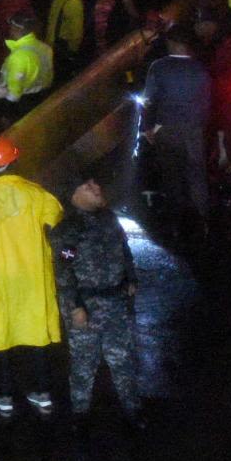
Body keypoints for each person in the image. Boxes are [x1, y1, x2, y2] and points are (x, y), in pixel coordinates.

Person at [0, 135, 64, 418]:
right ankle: (42, 393)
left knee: (1, 332)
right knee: (36, 329)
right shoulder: (34, 194)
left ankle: (5, 395)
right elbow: (56, 217)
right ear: (15, 162)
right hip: (32, 275)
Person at [51, 177, 142, 426]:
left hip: (115, 302)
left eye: (95, 184)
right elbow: (63, 270)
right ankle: (80, 417)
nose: (96, 188)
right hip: (87, 306)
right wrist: (75, 307)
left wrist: (131, 278)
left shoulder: (109, 220)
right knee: (83, 364)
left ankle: (132, 412)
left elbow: (124, 250)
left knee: (122, 359)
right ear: (74, 196)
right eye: (88, 187)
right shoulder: (69, 230)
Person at [141, 27, 213, 241]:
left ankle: (175, 224)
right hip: (193, 130)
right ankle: (203, 222)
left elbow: (148, 100)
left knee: (171, 176)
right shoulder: (200, 69)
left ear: (171, 43)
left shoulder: (159, 67)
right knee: (196, 176)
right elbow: (207, 104)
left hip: (166, 129)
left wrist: (147, 127)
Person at [0, 11, 53, 114]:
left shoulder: (18, 56)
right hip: (42, 97)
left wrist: (5, 110)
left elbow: (14, 93)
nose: (9, 28)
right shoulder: (45, 48)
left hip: (22, 105)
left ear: (17, 29)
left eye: (11, 26)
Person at [45, 0, 85, 82]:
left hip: (62, 54)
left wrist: (71, 53)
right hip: (54, 50)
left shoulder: (71, 2)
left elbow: (76, 34)